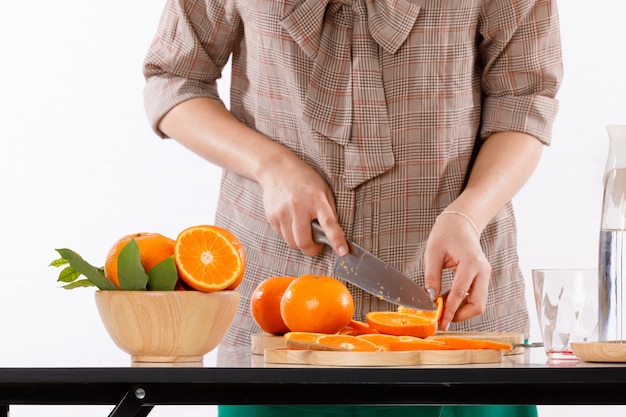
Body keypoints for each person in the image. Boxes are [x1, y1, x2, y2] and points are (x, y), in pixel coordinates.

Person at [142, 0, 563, 415]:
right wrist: (270, 165)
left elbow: (524, 100)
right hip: (278, 323)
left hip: (455, 323)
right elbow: (174, 78)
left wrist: (468, 214)